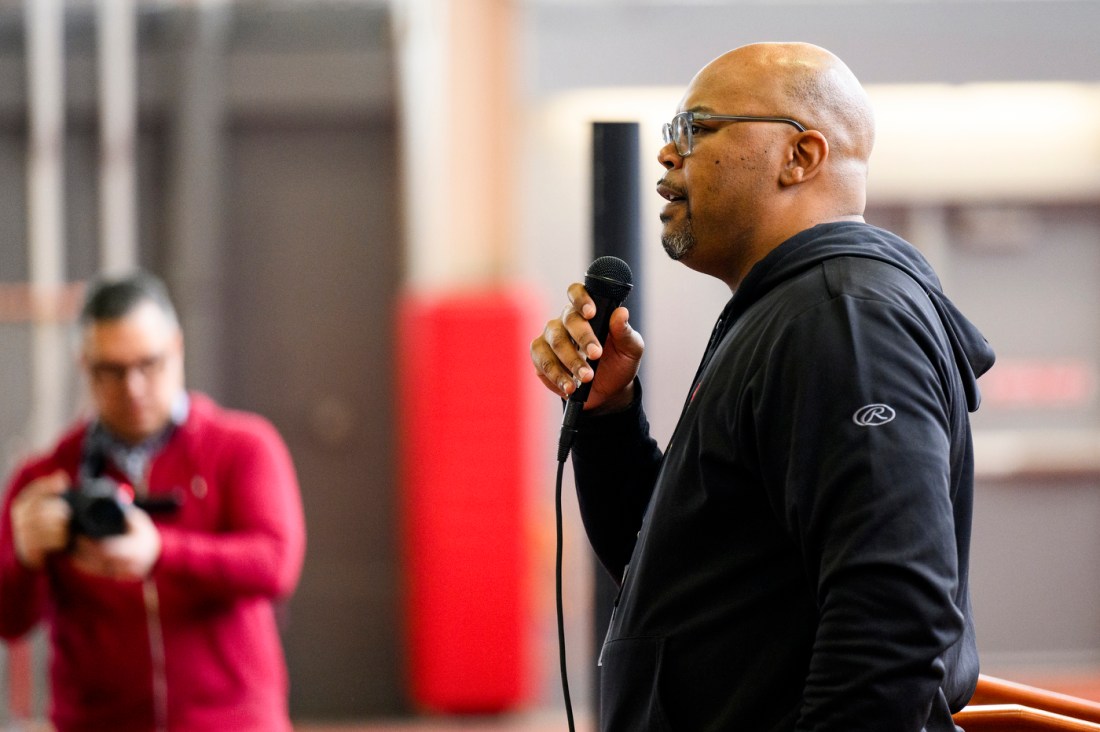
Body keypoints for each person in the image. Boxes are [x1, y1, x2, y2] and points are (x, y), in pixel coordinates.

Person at [530, 42, 995, 730]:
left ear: (800, 157)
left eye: (696, 129)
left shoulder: (843, 322)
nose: (667, 155)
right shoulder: (783, 314)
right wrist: (608, 418)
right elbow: (676, 575)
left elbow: (892, 614)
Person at [0, 270, 306, 732]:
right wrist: (23, 557)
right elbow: (10, 621)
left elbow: (276, 564)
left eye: (150, 364)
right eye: (112, 370)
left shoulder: (243, 448)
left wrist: (161, 552)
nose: (134, 388)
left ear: (177, 349)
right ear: (83, 364)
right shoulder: (45, 477)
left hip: (233, 722)